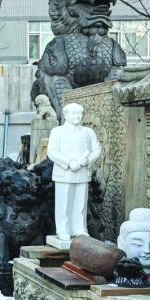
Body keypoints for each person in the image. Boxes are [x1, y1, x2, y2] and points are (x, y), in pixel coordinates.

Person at [46, 102, 101, 242]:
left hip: (83, 172)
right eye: (74, 113)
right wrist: (69, 163)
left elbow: (97, 150)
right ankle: (63, 229)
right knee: (64, 203)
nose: (77, 116)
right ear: (66, 115)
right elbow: (51, 152)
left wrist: (87, 161)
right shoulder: (57, 131)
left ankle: (80, 229)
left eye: (79, 113)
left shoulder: (88, 132)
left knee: (81, 203)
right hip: (64, 173)